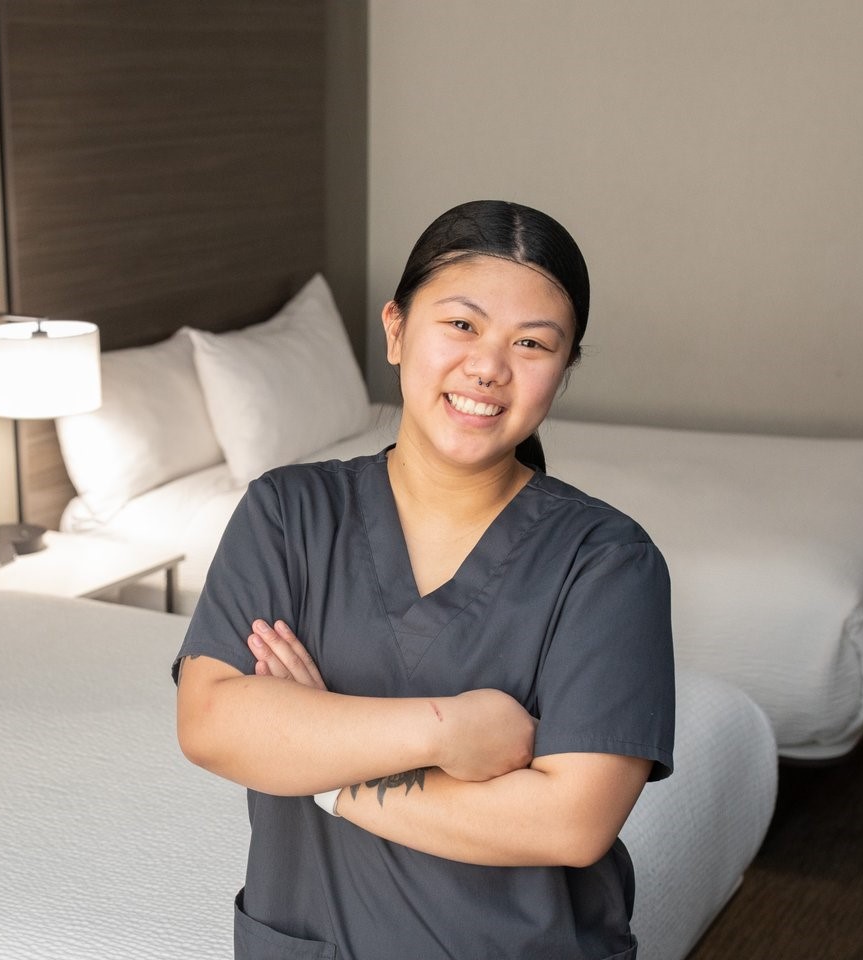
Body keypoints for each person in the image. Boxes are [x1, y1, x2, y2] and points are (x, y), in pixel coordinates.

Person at [172, 200, 676, 959]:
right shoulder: (287, 513)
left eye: (532, 343)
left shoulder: (607, 561)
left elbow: (570, 823)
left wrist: (324, 772)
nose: (488, 367)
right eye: (462, 325)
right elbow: (211, 724)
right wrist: (446, 729)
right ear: (397, 330)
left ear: (562, 373)